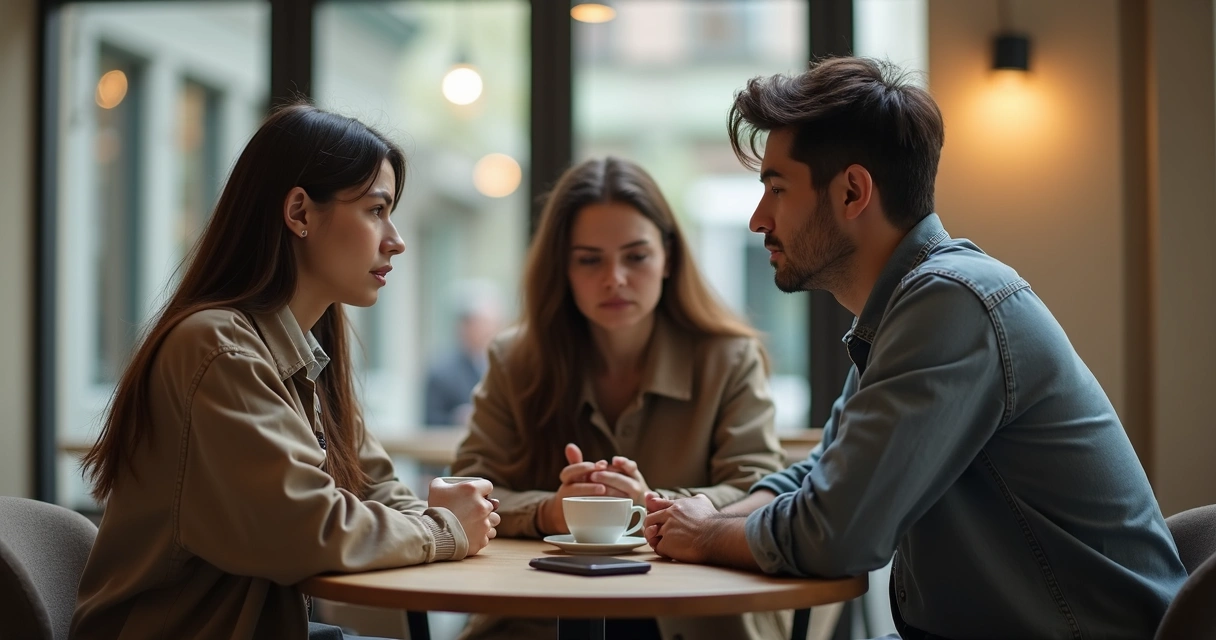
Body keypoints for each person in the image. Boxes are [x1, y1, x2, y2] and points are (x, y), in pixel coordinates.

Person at [642, 57, 1187, 640]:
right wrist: (687, 518)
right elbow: (818, 480)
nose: (758, 219)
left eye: (777, 188)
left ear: (853, 192)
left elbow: (836, 534)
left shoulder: (949, 305)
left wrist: (705, 533)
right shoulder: (905, 307)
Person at [71, 104, 500, 640]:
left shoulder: (307, 353)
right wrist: (443, 529)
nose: (396, 239)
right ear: (299, 212)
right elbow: (304, 530)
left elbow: (373, 487)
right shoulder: (217, 348)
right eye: (375, 210)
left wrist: (451, 517)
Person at [451, 157, 788, 640]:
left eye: (636, 256)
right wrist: (553, 509)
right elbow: (469, 489)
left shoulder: (729, 357)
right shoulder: (516, 358)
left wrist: (655, 505)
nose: (615, 278)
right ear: (563, 267)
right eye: (590, 259)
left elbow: (760, 489)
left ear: (668, 257)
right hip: (539, 616)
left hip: (695, 617)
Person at [424, 281, 504, 426]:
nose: (489, 330)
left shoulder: (504, 364)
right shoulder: (441, 372)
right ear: (465, 326)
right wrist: (456, 418)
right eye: (482, 323)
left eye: (493, 324)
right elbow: (429, 421)